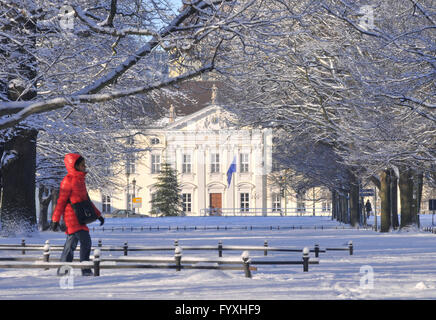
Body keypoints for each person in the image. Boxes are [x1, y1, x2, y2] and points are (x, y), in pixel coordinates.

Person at [50, 153, 104, 276]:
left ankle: (63, 271)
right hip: (72, 218)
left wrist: (98, 215)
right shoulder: (67, 181)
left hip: (80, 217)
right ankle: (85, 270)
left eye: (85, 164)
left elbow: (87, 201)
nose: (85, 167)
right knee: (86, 241)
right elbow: (61, 202)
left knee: (70, 245)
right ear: (74, 165)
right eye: (82, 165)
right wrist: (55, 220)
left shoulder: (80, 180)